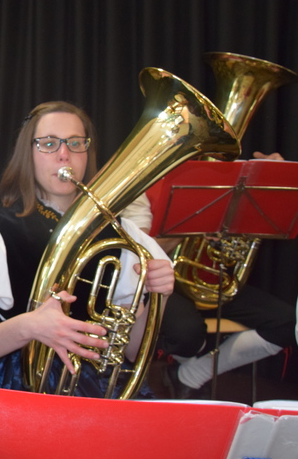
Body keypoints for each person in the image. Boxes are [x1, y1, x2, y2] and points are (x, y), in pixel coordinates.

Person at [0, 101, 174, 459]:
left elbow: (134, 353)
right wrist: (29, 326)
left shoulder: (124, 235)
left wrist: (157, 296)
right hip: (13, 384)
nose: (64, 155)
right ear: (28, 154)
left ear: (88, 153)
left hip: (93, 384)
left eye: (76, 143)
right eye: (48, 143)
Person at [124, 151, 297, 400]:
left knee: (286, 323)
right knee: (187, 336)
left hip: (210, 281)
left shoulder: (231, 176)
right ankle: (182, 374)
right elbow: (141, 252)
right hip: (163, 283)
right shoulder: (142, 178)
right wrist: (195, 224)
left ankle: (191, 375)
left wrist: (272, 181)